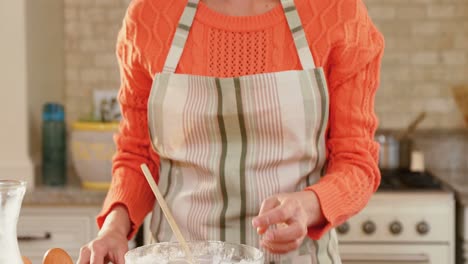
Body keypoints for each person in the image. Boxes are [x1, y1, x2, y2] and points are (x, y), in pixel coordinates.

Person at [78, 0, 384, 263]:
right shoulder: (149, 16)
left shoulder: (336, 11)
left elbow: (356, 162)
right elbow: (138, 156)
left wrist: (307, 206)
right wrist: (114, 230)